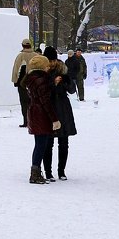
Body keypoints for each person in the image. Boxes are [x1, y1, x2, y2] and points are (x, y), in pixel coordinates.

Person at [23, 54, 59, 184]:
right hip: (41, 115)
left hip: (34, 113)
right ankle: (35, 173)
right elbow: (45, 101)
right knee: (41, 145)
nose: (49, 67)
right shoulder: (41, 80)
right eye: (46, 65)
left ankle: (36, 171)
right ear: (42, 67)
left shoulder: (31, 79)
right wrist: (55, 119)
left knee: (38, 144)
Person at [43, 47, 77, 181]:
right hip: (49, 108)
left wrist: (65, 81)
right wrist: (53, 83)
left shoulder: (63, 70)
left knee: (63, 142)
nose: (51, 63)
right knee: (48, 142)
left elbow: (72, 90)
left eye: (52, 60)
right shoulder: (43, 72)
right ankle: (48, 171)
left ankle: (61, 171)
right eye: (49, 60)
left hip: (63, 108)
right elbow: (41, 90)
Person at [10, 38, 36, 127]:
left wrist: (15, 81)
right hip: (34, 83)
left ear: (23, 45)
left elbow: (16, 69)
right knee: (33, 102)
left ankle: (26, 121)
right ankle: (34, 121)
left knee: (24, 102)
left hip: (22, 83)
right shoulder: (36, 55)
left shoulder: (20, 56)